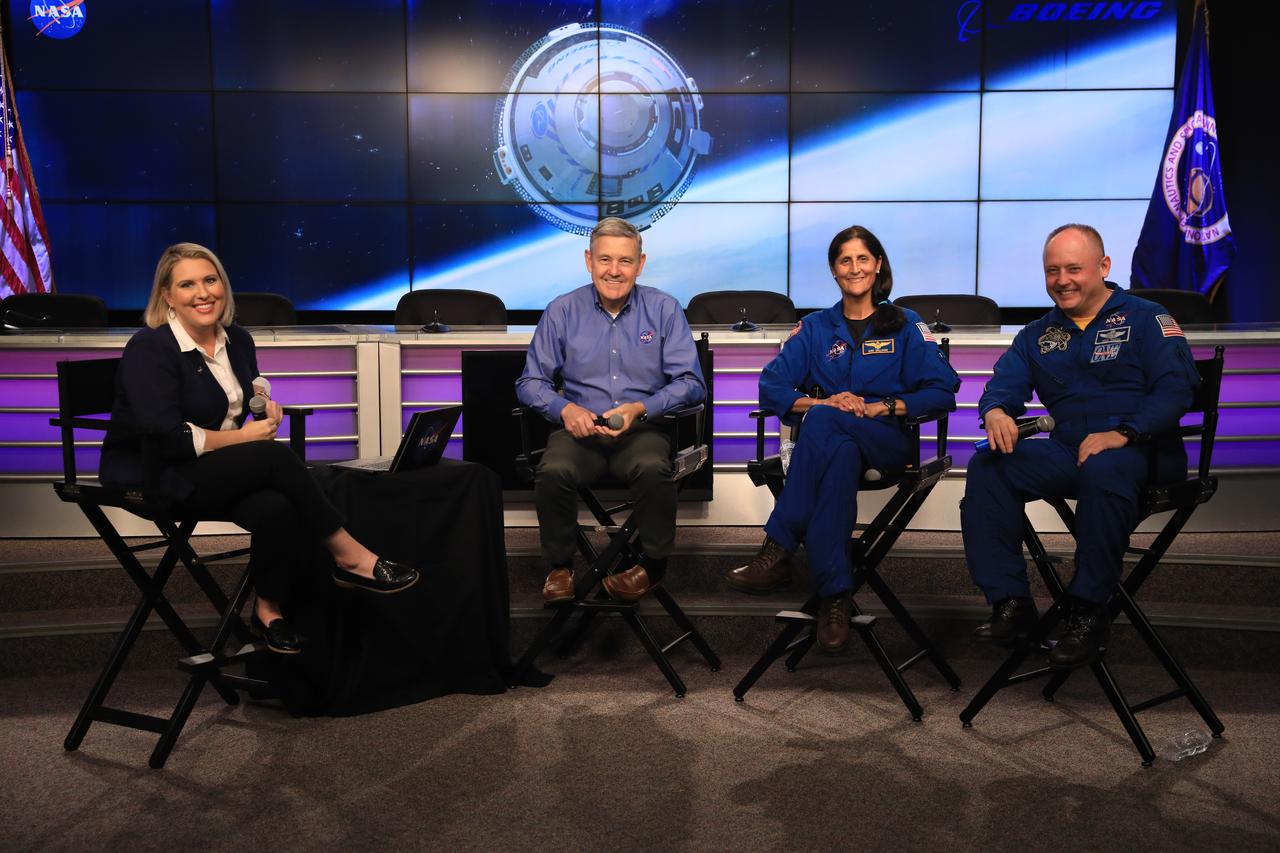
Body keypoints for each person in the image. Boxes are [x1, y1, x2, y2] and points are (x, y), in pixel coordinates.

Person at [100, 243, 419, 654]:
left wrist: (262, 400)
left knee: (277, 507)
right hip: (156, 473)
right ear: (167, 296)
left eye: (210, 280)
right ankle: (349, 556)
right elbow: (167, 436)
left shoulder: (236, 338)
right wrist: (244, 437)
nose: (203, 293)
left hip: (212, 468)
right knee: (273, 456)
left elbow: (251, 383)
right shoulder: (150, 347)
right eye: (187, 285)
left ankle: (268, 611)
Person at [962, 224, 1200, 668]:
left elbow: (1176, 390)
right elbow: (1004, 386)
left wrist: (1125, 432)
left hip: (1142, 449)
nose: (1062, 280)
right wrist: (995, 411)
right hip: (1071, 449)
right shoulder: (1037, 334)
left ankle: (1089, 612)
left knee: (1103, 465)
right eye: (1052, 271)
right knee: (990, 466)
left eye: (1074, 269)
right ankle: (1011, 604)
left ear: (1103, 266)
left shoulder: (1147, 318)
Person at [726, 225, 960, 652]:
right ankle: (835, 596)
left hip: (888, 440)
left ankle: (778, 545)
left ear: (878, 265)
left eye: (862, 259)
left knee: (823, 425)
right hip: (834, 443)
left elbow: (943, 391)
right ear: (834, 270)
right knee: (839, 454)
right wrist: (824, 404)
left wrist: (881, 407)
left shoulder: (907, 324)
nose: (855, 268)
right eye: (845, 260)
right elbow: (771, 386)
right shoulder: (815, 327)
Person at [516, 217, 706, 603]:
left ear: (640, 264)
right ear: (589, 261)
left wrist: (641, 408)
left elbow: (692, 383)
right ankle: (560, 567)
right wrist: (565, 409)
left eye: (625, 261)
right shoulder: (562, 310)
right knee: (552, 471)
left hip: (641, 431)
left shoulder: (665, 309)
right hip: (579, 433)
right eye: (605, 259)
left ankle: (653, 566)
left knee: (653, 468)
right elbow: (529, 383)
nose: (614, 270)